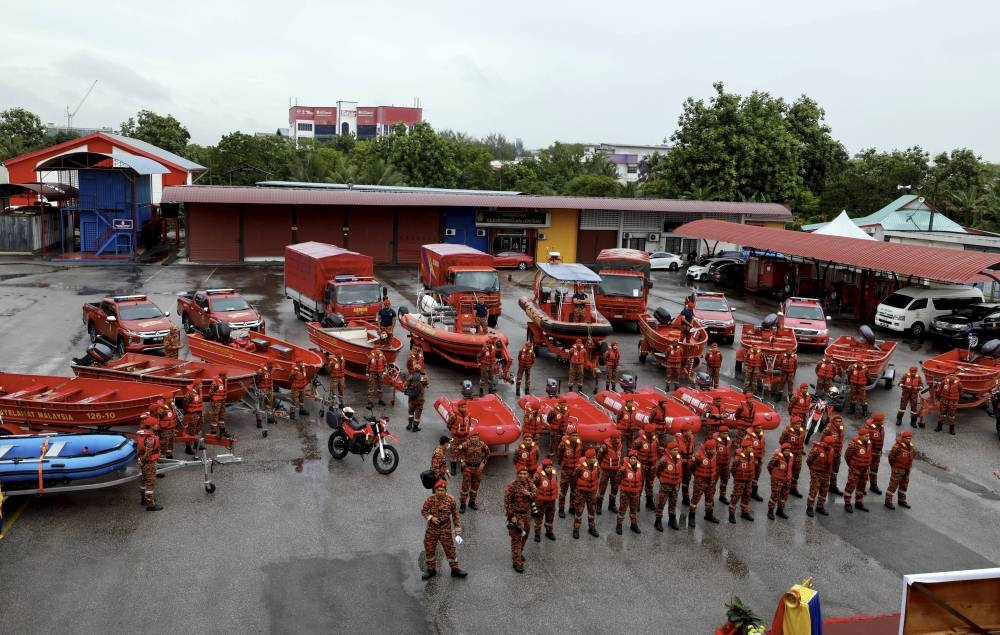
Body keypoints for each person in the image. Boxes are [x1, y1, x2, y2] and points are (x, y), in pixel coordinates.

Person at [420, 480, 467, 580]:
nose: (440, 492)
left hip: (445, 530)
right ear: (435, 490)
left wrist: (457, 529)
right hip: (431, 529)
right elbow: (424, 511)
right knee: (429, 549)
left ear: (445, 490)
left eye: (442, 490)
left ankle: (455, 569)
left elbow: (455, 515)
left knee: (450, 550)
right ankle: (431, 570)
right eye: (438, 490)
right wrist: (431, 517)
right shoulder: (430, 499)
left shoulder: (451, 500)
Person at [504, 469, 537, 572]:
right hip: (516, 516)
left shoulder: (530, 484)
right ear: (517, 475)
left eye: (525, 473)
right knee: (517, 538)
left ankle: (519, 553)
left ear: (527, 475)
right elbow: (506, 502)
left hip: (527, 515)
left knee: (525, 536)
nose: (523, 475)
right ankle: (516, 562)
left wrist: (528, 493)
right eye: (521, 473)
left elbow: (536, 495)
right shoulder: (512, 486)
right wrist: (511, 516)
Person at [687, 439, 720, 527]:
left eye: (714, 448)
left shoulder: (715, 454)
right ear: (706, 449)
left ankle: (709, 515)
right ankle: (691, 517)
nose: (714, 451)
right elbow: (691, 467)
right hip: (700, 480)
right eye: (712, 449)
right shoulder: (698, 456)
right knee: (695, 499)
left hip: (711, 480)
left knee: (710, 498)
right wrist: (697, 476)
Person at [456, 430, 490, 513]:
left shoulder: (482, 444)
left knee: (475, 487)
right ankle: (463, 504)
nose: (474, 439)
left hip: (478, 469)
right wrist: (462, 461)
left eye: (476, 437)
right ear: (470, 438)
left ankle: (472, 502)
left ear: (478, 437)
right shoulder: (466, 444)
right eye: (472, 437)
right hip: (468, 468)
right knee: (465, 487)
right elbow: (458, 451)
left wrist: (483, 463)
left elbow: (488, 453)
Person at [654, 441, 683, 531]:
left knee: (673, 502)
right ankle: (658, 521)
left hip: (676, 485)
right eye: (674, 450)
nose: (676, 451)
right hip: (665, 485)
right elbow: (657, 470)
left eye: (677, 450)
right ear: (670, 450)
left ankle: (672, 519)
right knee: (661, 503)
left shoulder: (679, 458)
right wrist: (663, 479)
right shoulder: (664, 460)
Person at [556, 426, 584, 518]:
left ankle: (572, 507)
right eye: (573, 435)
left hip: (575, 470)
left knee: (574, 490)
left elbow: (581, 455)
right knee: (563, 491)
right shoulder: (563, 444)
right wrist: (563, 465)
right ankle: (561, 509)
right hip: (566, 470)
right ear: (569, 436)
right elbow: (559, 455)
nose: (575, 437)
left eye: (576, 435)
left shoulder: (580, 443)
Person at [572, 449, 601, 539]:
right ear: (587, 459)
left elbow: (598, 475)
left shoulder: (596, 465)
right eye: (592, 458)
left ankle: (591, 527)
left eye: (595, 457)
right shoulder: (580, 467)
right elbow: (574, 477)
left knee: (592, 511)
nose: (595, 459)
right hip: (581, 492)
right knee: (579, 511)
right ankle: (576, 528)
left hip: (592, 492)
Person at [843, 428, 872, 513]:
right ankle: (847, 503)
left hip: (865, 469)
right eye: (866, 436)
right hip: (855, 469)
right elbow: (847, 456)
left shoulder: (869, 444)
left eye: (869, 436)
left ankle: (859, 502)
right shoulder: (854, 445)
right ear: (861, 436)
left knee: (861, 486)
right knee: (850, 486)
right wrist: (852, 466)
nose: (868, 437)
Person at [805, 434, 835, 517]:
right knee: (813, 491)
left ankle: (820, 506)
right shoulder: (816, 450)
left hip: (826, 474)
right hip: (817, 473)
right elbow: (809, 461)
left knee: (823, 491)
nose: (829, 446)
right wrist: (813, 471)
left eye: (831, 445)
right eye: (828, 444)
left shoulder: (831, 450)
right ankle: (809, 507)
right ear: (824, 443)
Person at [885, 431, 915, 510]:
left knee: (904, 485)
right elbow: (891, 458)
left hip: (907, 469)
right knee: (893, 485)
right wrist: (894, 467)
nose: (909, 440)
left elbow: (912, 455)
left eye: (910, 438)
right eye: (907, 439)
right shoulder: (897, 447)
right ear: (903, 438)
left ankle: (901, 500)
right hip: (898, 469)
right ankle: (888, 501)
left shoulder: (910, 446)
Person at [596, 431, 624, 515]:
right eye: (616, 438)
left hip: (616, 470)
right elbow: (599, 457)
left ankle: (611, 505)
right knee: (602, 488)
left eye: (619, 438)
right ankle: (598, 506)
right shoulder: (604, 447)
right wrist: (602, 466)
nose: (618, 440)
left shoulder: (620, 445)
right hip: (606, 470)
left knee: (615, 488)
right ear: (612, 439)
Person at [728, 439, 756, 523]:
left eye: (752, 447)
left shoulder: (751, 455)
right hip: (740, 481)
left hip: (749, 480)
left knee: (747, 496)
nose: (752, 449)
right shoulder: (738, 458)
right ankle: (731, 515)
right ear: (745, 448)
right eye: (750, 447)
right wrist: (737, 478)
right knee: (735, 497)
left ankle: (745, 513)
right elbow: (733, 469)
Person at [616, 451, 643, 535]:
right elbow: (617, 479)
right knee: (622, 509)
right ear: (629, 459)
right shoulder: (623, 469)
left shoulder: (639, 466)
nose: (633, 460)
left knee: (633, 510)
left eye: (635, 459)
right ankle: (619, 524)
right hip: (625, 492)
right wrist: (623, 486)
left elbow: (641, 478)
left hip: (635, 493)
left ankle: (633, 524)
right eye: (631, 458)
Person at [779, 417, 806, 498]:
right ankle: (781, 488)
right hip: (789, 456)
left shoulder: (802, 432)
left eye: (799, 424)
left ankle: (793, 488)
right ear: (792, 424)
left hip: (798, 456)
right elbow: (781, 442)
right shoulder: (787, 432)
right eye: (797, 424)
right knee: (786, 472)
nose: (798, 425)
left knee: (796, 473)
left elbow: (802, 443)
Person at [136, 426, 162, 511]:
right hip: (149, 463)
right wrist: (143, 460)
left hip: (143, 463)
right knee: (150, 482)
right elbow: (148, 454)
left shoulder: (142, 435)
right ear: (151, 427)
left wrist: (140, 460)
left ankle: (143, 499)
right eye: (155, 424)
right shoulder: (150, 438)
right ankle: (150, 504)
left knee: (143, 481)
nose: (157, 426)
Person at [533, 458, 559, 542]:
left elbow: (556, 482)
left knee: (550, 516)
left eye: (551, 467)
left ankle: (549, 531)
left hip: (552, 500)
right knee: (539, 518)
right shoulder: (538, 475)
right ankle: (537, 533)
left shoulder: (554, 474)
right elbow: (533, 486)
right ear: (544, 468)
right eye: (547, 467)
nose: (549, 469)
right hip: (541, 501)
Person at [635, 425, 659, 510]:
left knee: (650, 484)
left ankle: (649, 502)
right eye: (652, 431)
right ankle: (637, 503)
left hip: (652, 466)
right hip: (642, 466)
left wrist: (655, 463)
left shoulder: (655, 440)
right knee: (639, 485)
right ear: (647, 432)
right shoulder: (639, 441)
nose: (654, 433)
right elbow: (633, 453)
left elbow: (657, 451)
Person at [766, 443, 793, 520]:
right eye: (786, 451)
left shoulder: (791, 457)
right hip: (777, 480)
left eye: (789, 451)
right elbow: (769, 466)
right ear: (782, 451)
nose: (787, 452)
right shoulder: (777, 458)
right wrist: (774, 475)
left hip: (787, 480)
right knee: (774, 495)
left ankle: (780, 510)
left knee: (784, 496)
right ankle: (770, 511)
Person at [866, 413, 886, 494]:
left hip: (877, 453)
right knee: (864, 471)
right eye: (882, 420)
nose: (883, 421)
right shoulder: (868, 429)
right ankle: (861, 487)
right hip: (869, 454)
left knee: (874, 471)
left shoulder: (881, 428)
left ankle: (873, 485)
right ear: (877, 421)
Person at [826, 414, 846, 496]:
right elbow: (822, 441)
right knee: (826, 470)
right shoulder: (828, 430)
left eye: (840, 421)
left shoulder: (842, 428)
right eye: (837, 421)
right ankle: (822, 486)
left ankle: (833, 486)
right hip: (829, 453)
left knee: (835, 471)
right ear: (833, 421)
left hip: (837, 454)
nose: (838, 423)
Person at [180, 381, 203, 455]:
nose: (201, 386)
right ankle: (188, 447)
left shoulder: (198, 392)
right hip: (192, 414)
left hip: (199, 413)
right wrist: (189, 412)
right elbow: (185, 405)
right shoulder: (189, 394)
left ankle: (196, 444)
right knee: (190, 431)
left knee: (197, 430)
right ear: (196, 385)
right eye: (200, 384)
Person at [675, 428, 696, 506]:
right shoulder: (677, 441)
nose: (690, 432)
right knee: (677, 482)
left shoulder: (692, 439)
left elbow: (693, 450)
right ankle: (674, 497)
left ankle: (685, 498)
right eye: (688, 431)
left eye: (690, 431)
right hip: (680, 464)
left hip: (688, 464)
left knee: (686, 481)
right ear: (683, 432)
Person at [748, 423, 766, 502]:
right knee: (749, 475)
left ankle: (754, 492)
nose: (760, 430)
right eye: (758, 428)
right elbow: (746, 449)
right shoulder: (749, 437)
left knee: (757, 475)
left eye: (761, 428)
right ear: (754, 428)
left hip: (759, 459)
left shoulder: (761, 435)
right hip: (752, 460)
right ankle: (747, 492)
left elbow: (763, 445)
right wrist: (753, 458)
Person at [715, 427, 733, 505]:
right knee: (713, 483)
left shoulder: (729, 441)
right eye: (724, 433)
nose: (725, 435)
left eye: (726, 433)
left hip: (726, 465)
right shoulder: (714, 441)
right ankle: (710, 498)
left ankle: (722, 496)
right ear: (719, 433)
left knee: (724, 481)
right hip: (717, 465)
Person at [206, 372, 227, 436]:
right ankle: (213, 433)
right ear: (222, 376)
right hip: (216, 402)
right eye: (225, 376)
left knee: (222, 416)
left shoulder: (222, 382)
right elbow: (210, 393)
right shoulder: (215, 383)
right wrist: (214, 400)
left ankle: (222, 432)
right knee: (215, 417)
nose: (226, 377)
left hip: (222, 402)